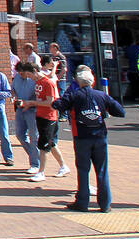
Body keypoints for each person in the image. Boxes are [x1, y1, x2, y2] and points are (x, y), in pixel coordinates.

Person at [52, 69, 125, 212]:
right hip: (100, 137)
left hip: (82, 137)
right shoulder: (101, 95)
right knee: (102, 171)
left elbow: (58, 105)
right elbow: (120, 111)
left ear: (78, 82)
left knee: (83, 170)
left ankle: (82, 202)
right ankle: (105, 204)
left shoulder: (74, 95)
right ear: (92, 81)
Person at [31, 55, 69, 183]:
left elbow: (50, 102)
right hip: (41, 115)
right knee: (50, 143)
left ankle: (41, 172)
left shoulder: (48, 82)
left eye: (30, 75)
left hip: (49, 116)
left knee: (44, 144)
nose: (30, 78)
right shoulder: (39, 82)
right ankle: (63, 166)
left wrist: (33, 103)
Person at [11, 61, 42, 174]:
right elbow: (13, 89)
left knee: (34, 136)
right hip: (20, 109)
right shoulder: (17, 79)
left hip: (32, 110)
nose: (21, 75)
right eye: (19, 73)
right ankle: (35, 156)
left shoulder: (33, 80)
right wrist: (14, 96)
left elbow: (39, 97)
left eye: (23, 73)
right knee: (19, 134)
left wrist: (28, 103)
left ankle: (35, 163)